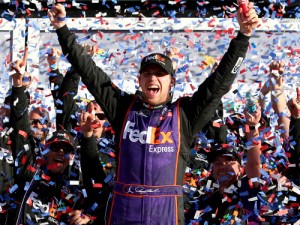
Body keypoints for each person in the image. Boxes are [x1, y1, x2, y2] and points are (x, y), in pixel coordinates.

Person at [48, 2, 259, 224]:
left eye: (160, 74)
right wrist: (62, 28)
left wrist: (243, 37)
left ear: (172, 82)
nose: (152, 78)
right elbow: (88, 71)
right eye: (147, 73)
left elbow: (219, 83)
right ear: (139, 81)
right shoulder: (122, 107)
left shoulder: (184, 114)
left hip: (166, 213)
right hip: (123, 212)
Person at [186, 104, 262, 224]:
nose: (222, 165)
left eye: (229, 161)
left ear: (241, 168)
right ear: (211, 170)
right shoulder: (203, 202)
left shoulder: (247, 190)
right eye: (217, 162)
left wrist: (252, 127)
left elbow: (254, 163)